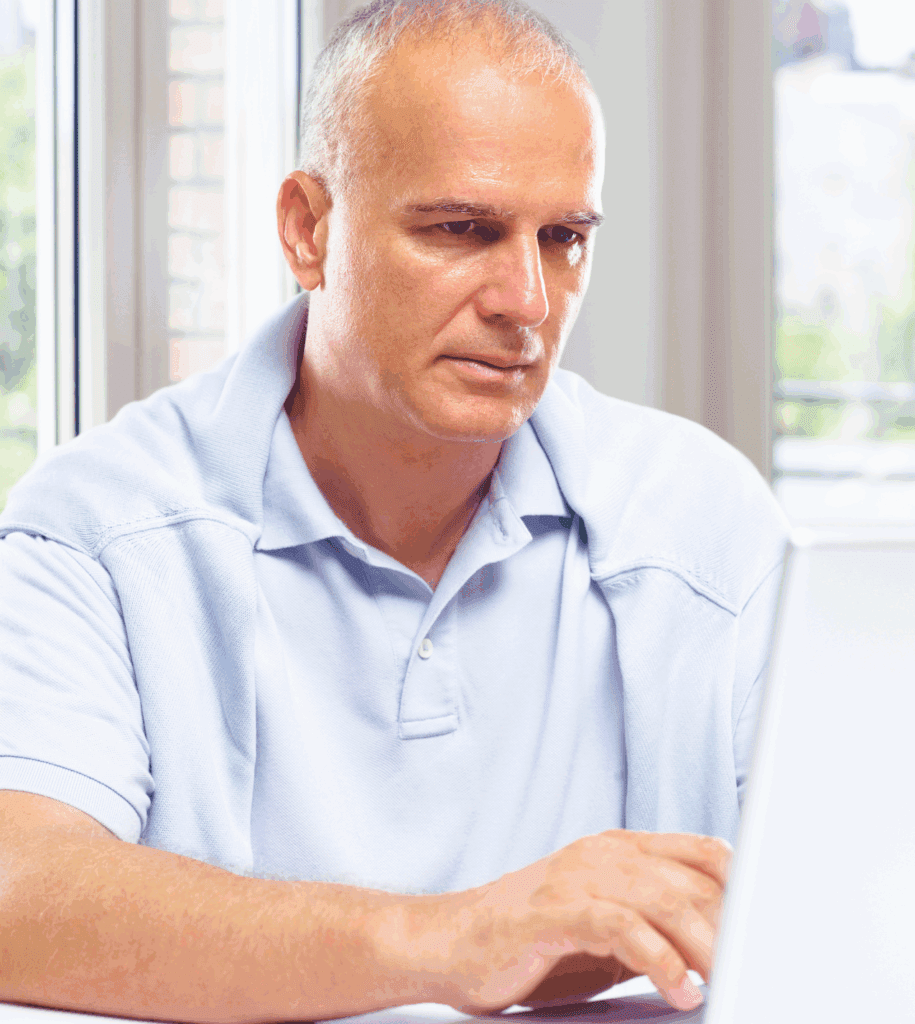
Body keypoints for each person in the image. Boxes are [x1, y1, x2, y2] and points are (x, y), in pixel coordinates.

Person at [0, 1, 788, 1021]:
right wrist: (455, 940)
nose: (526, 302)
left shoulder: (702, 521)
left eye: (563, 239)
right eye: (461, 229)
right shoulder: (99, 526)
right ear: (308, 230)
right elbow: (19, 893)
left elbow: (847, 889)